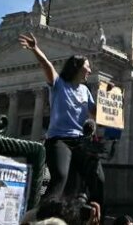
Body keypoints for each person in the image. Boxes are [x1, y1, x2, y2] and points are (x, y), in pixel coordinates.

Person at [18, 32, 104, 207]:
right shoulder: (58, 85)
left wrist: (111, 105)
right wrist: (35, 49)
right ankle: (43, 215)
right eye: (87, 66)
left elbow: (96, 114)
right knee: (61, 177)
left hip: (80, 141)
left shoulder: (85, 90)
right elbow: (47, 65)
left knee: (98, 178)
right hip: (59, 140)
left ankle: (95, 216)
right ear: (77, 67)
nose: (90, 70)